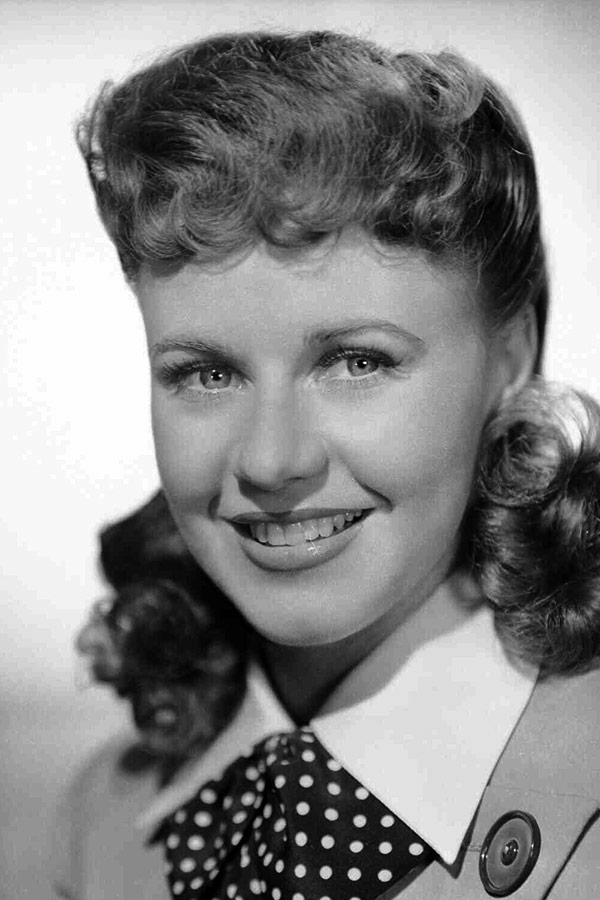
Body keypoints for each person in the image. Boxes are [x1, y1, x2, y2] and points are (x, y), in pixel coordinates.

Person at [53, 30, 600, 899]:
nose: (272, 461)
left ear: (510, 358)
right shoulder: (102, 825)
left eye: (357, 361)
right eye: (206, 373)